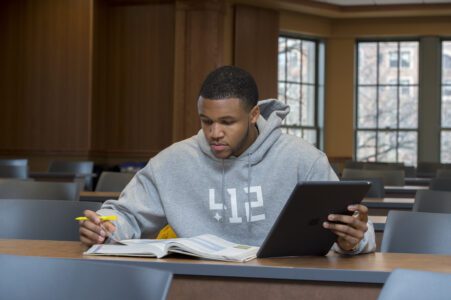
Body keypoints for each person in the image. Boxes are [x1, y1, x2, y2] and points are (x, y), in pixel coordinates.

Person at [80, 66, 375, 254]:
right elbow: (125, 215)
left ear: (254, 115)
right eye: (206, 121)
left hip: (285, 285)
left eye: (227, 122)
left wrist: (354, 241)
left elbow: (356, 230)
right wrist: (106, 228)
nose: (214, 133)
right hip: (198, 287)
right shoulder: (171, 162)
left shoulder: (304, 160)